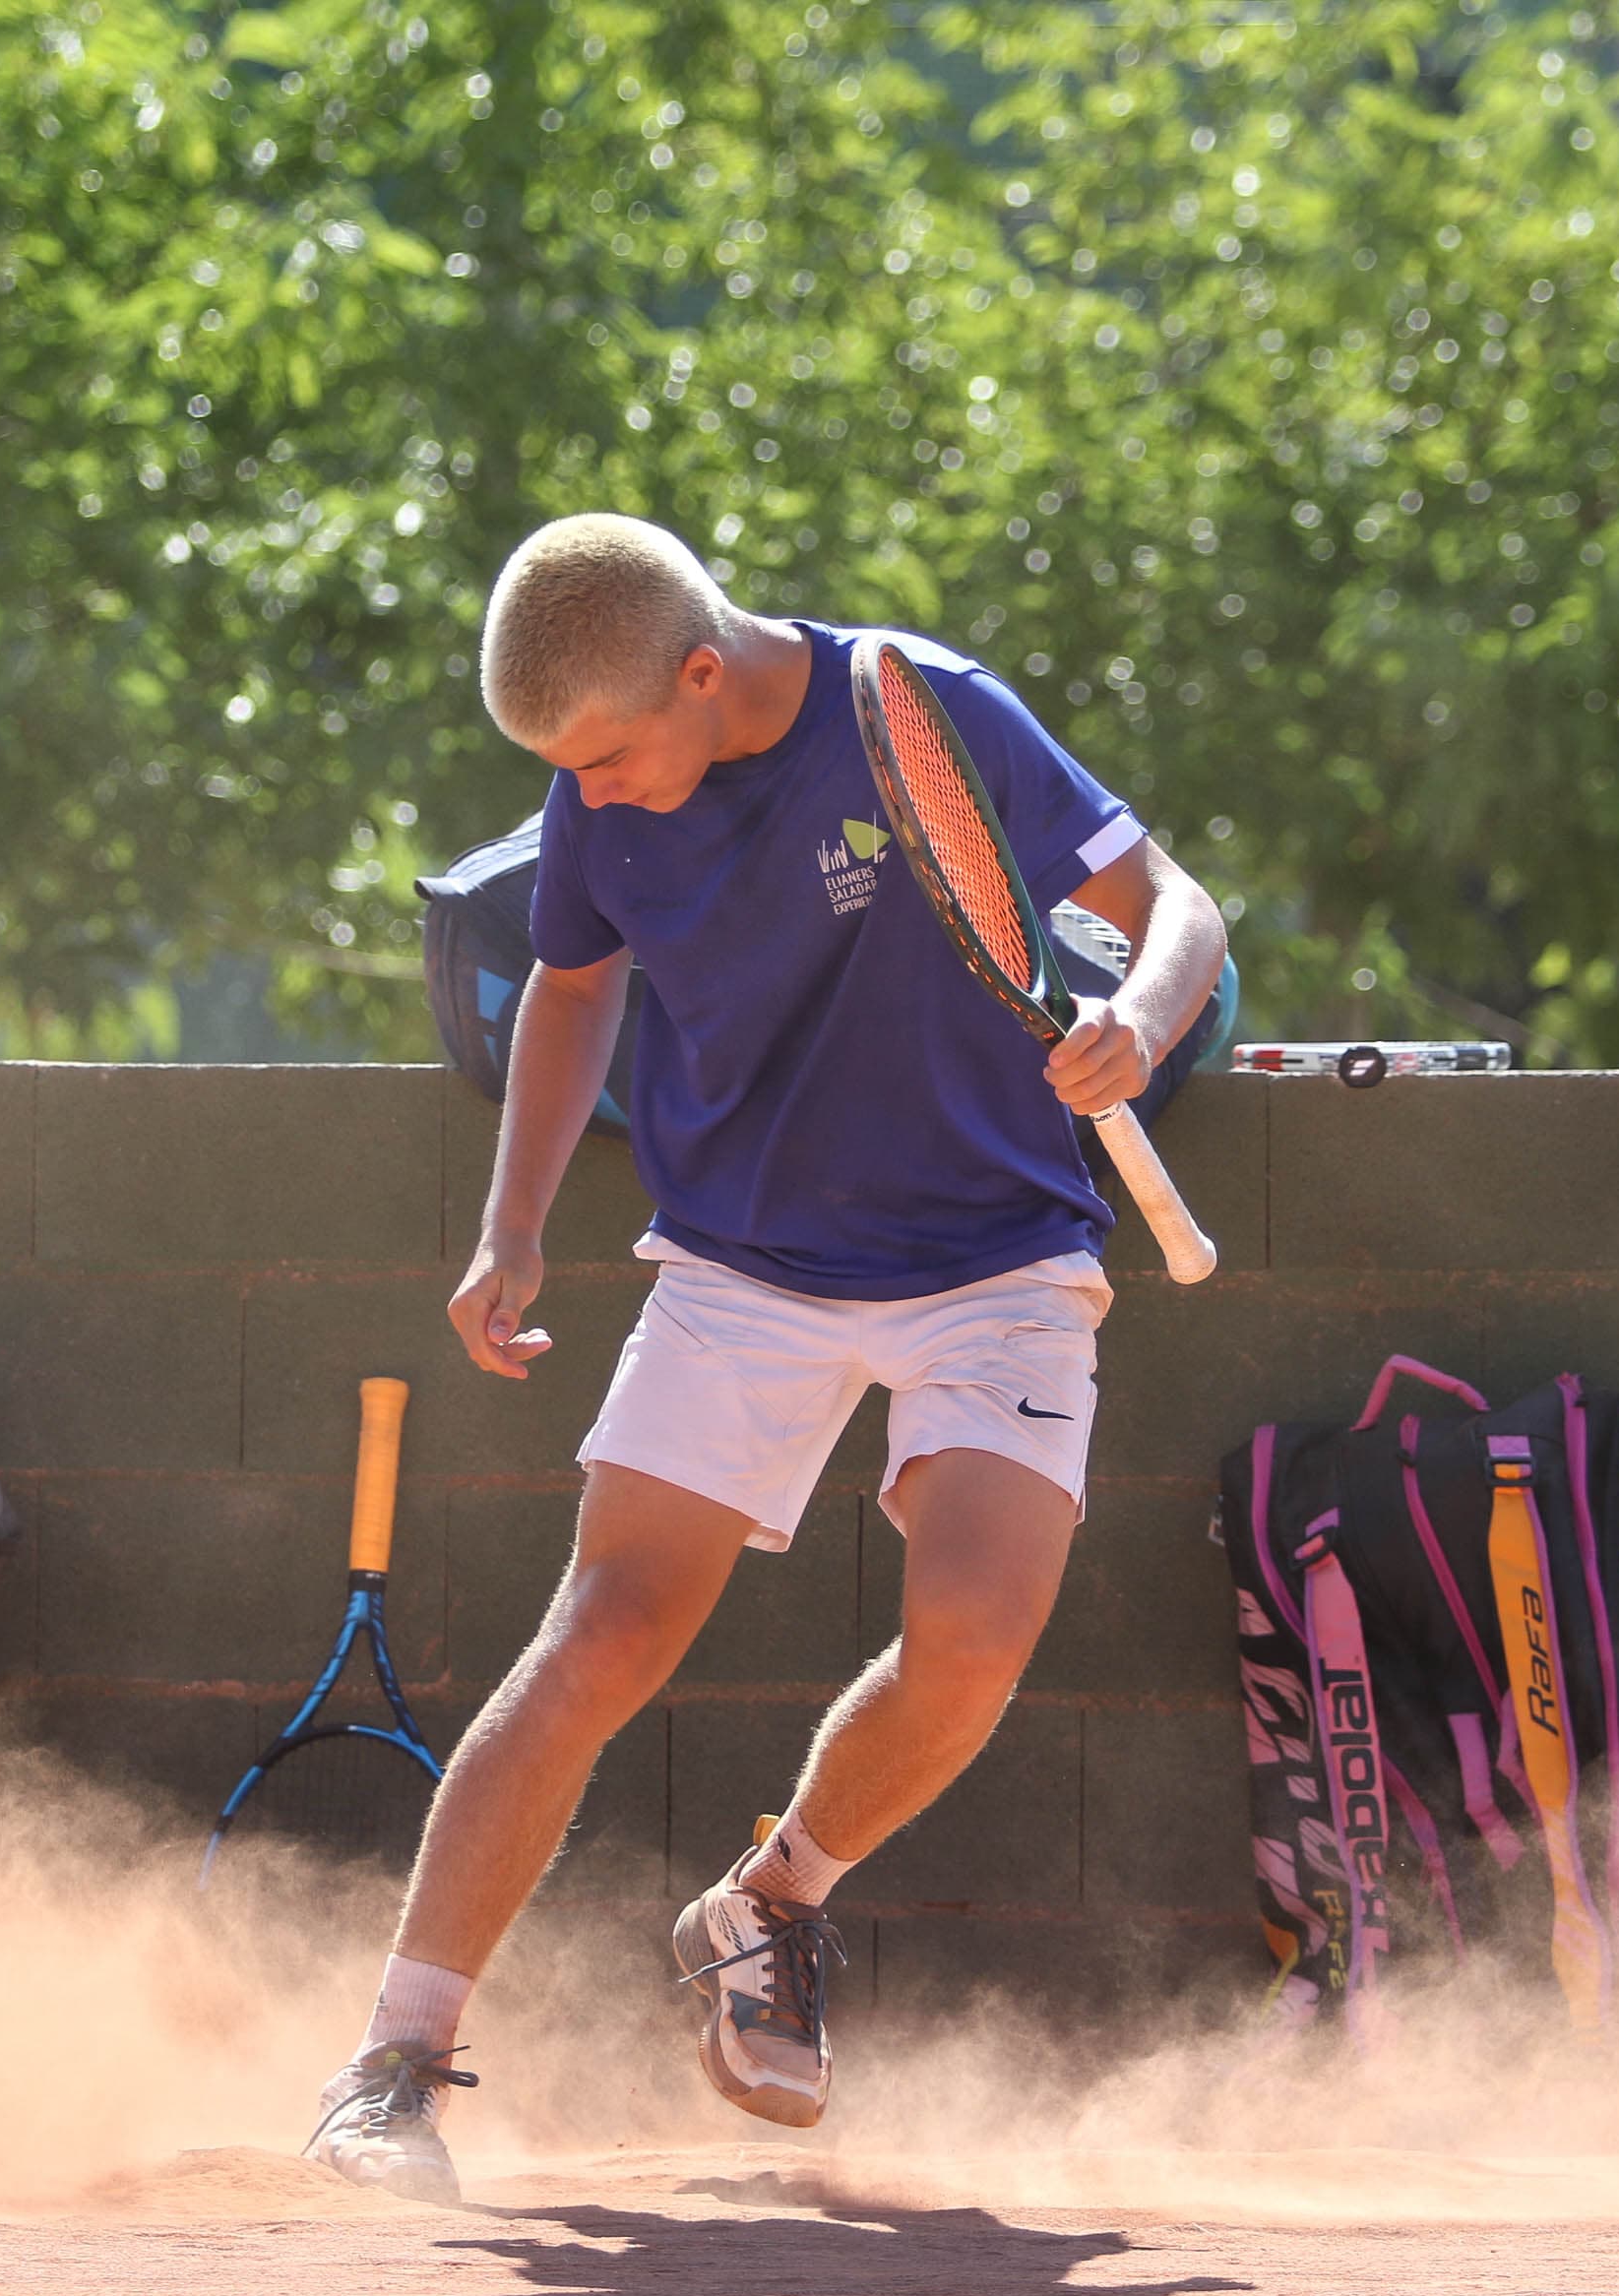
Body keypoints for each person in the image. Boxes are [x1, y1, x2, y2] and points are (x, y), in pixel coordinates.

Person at [306, 514, 1230, 2203]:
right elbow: (572, 989)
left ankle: (775, 1899)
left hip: (999, 1258)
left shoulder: (927, 708)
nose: (587, 793)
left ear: (706, 674)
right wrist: (512, 1224)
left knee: (970, 1643)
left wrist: (1139, 1022)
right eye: (561, 770)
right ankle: (392, 2073)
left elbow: (1175, 904)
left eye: (606, 753)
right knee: (601, 1637)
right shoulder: (599, 798)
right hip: (741, 1266)